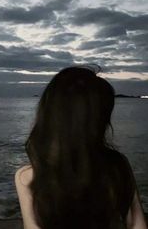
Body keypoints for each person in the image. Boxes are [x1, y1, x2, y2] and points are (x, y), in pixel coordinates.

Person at [15, 66, 147, 229]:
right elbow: (137, 225)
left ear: (49, 113)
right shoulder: (117, 165)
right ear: (100, 120)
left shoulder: (28, 176)